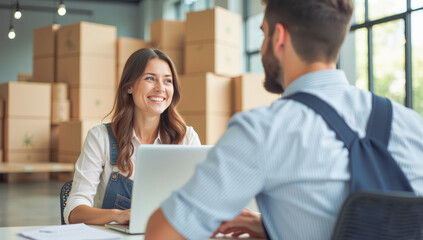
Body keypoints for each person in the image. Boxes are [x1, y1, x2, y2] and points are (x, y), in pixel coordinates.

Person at [144, 0, 423, 239]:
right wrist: (272, 229)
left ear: (279, 37)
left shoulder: (263, 129)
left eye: (263, 34)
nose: (263, 46)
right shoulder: (411, 123)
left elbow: (163, 233)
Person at [64, 48, 201, 225]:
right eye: (150, 78)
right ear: (129, 86)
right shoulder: (100, 138)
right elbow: (74, 211)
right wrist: (116, 215)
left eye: (168, 81)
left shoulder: (186, 138)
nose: (160, 88)